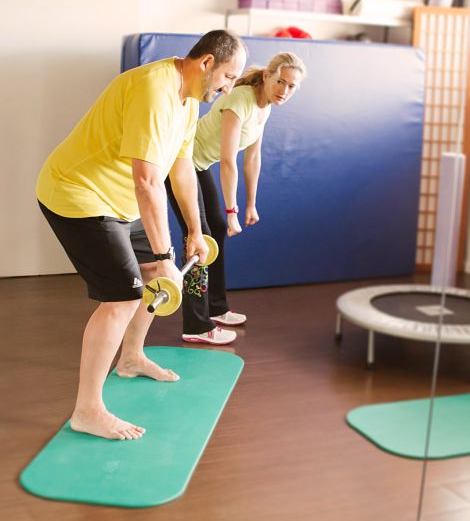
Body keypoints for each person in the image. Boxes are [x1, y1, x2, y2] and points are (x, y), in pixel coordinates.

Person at [36, 30, 247, 440]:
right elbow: (148, 182)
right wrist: (165, 255)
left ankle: (130, 358)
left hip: (122, 202)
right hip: (77, 194)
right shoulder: (154, 89)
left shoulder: (189, 98)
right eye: (228, 77)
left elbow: (181, 168)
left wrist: (194, 232)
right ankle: (87, 410)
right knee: (122, 298)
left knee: (153, 279)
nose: (228, 87)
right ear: (206, 63)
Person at [165, 52, 306, 345]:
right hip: (178, 164)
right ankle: (196, 325)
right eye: (280, 82)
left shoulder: (264, 107)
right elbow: (228, 161)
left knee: (213, 230)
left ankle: (216, 308)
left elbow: (252, 158)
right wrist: (232, 212)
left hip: (197, 165)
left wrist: (251, 204)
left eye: (291, 86)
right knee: (199, 238)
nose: (284, 90)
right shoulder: (240, 100)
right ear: (267, 76)